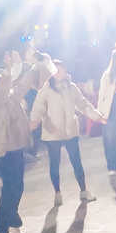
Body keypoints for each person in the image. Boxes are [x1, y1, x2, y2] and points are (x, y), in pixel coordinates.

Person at [0, 61, 38, 233]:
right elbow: (2, 125)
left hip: (15, 147)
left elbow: (21, 87)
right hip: (5, 151)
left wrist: (33, 68)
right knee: (10, 191)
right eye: (3, 80)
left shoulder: (7, 97)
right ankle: (0, 230)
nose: (7, 83)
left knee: (15, 188)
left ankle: (13, 224)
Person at [30, 61, 103, 201]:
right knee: (54, 164)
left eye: (61, 70)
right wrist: (34, 120)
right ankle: (57, 193)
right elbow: (38, 107)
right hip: (52, 132)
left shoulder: (71, 87)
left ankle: (83, 191)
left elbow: (82, 104)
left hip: (70, 130)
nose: (59, 73)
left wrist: (96, 116)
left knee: (76, 162)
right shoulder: (46, 89)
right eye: (56, 70)